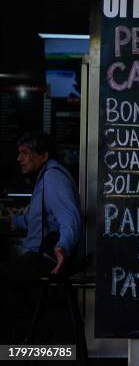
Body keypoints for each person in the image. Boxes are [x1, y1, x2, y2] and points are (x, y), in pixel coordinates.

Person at [0, 132, 82, 342]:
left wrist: (63, 245)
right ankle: (30, 335)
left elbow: (69, 216)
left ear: (44, 155)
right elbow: (42, 218)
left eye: (25, 153)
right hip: (37, 253)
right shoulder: (46, 176)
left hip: (42, 256)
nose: (19, 158)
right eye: (19, 153)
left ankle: (25, 341)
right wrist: (13, 221)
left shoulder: (53, 177)